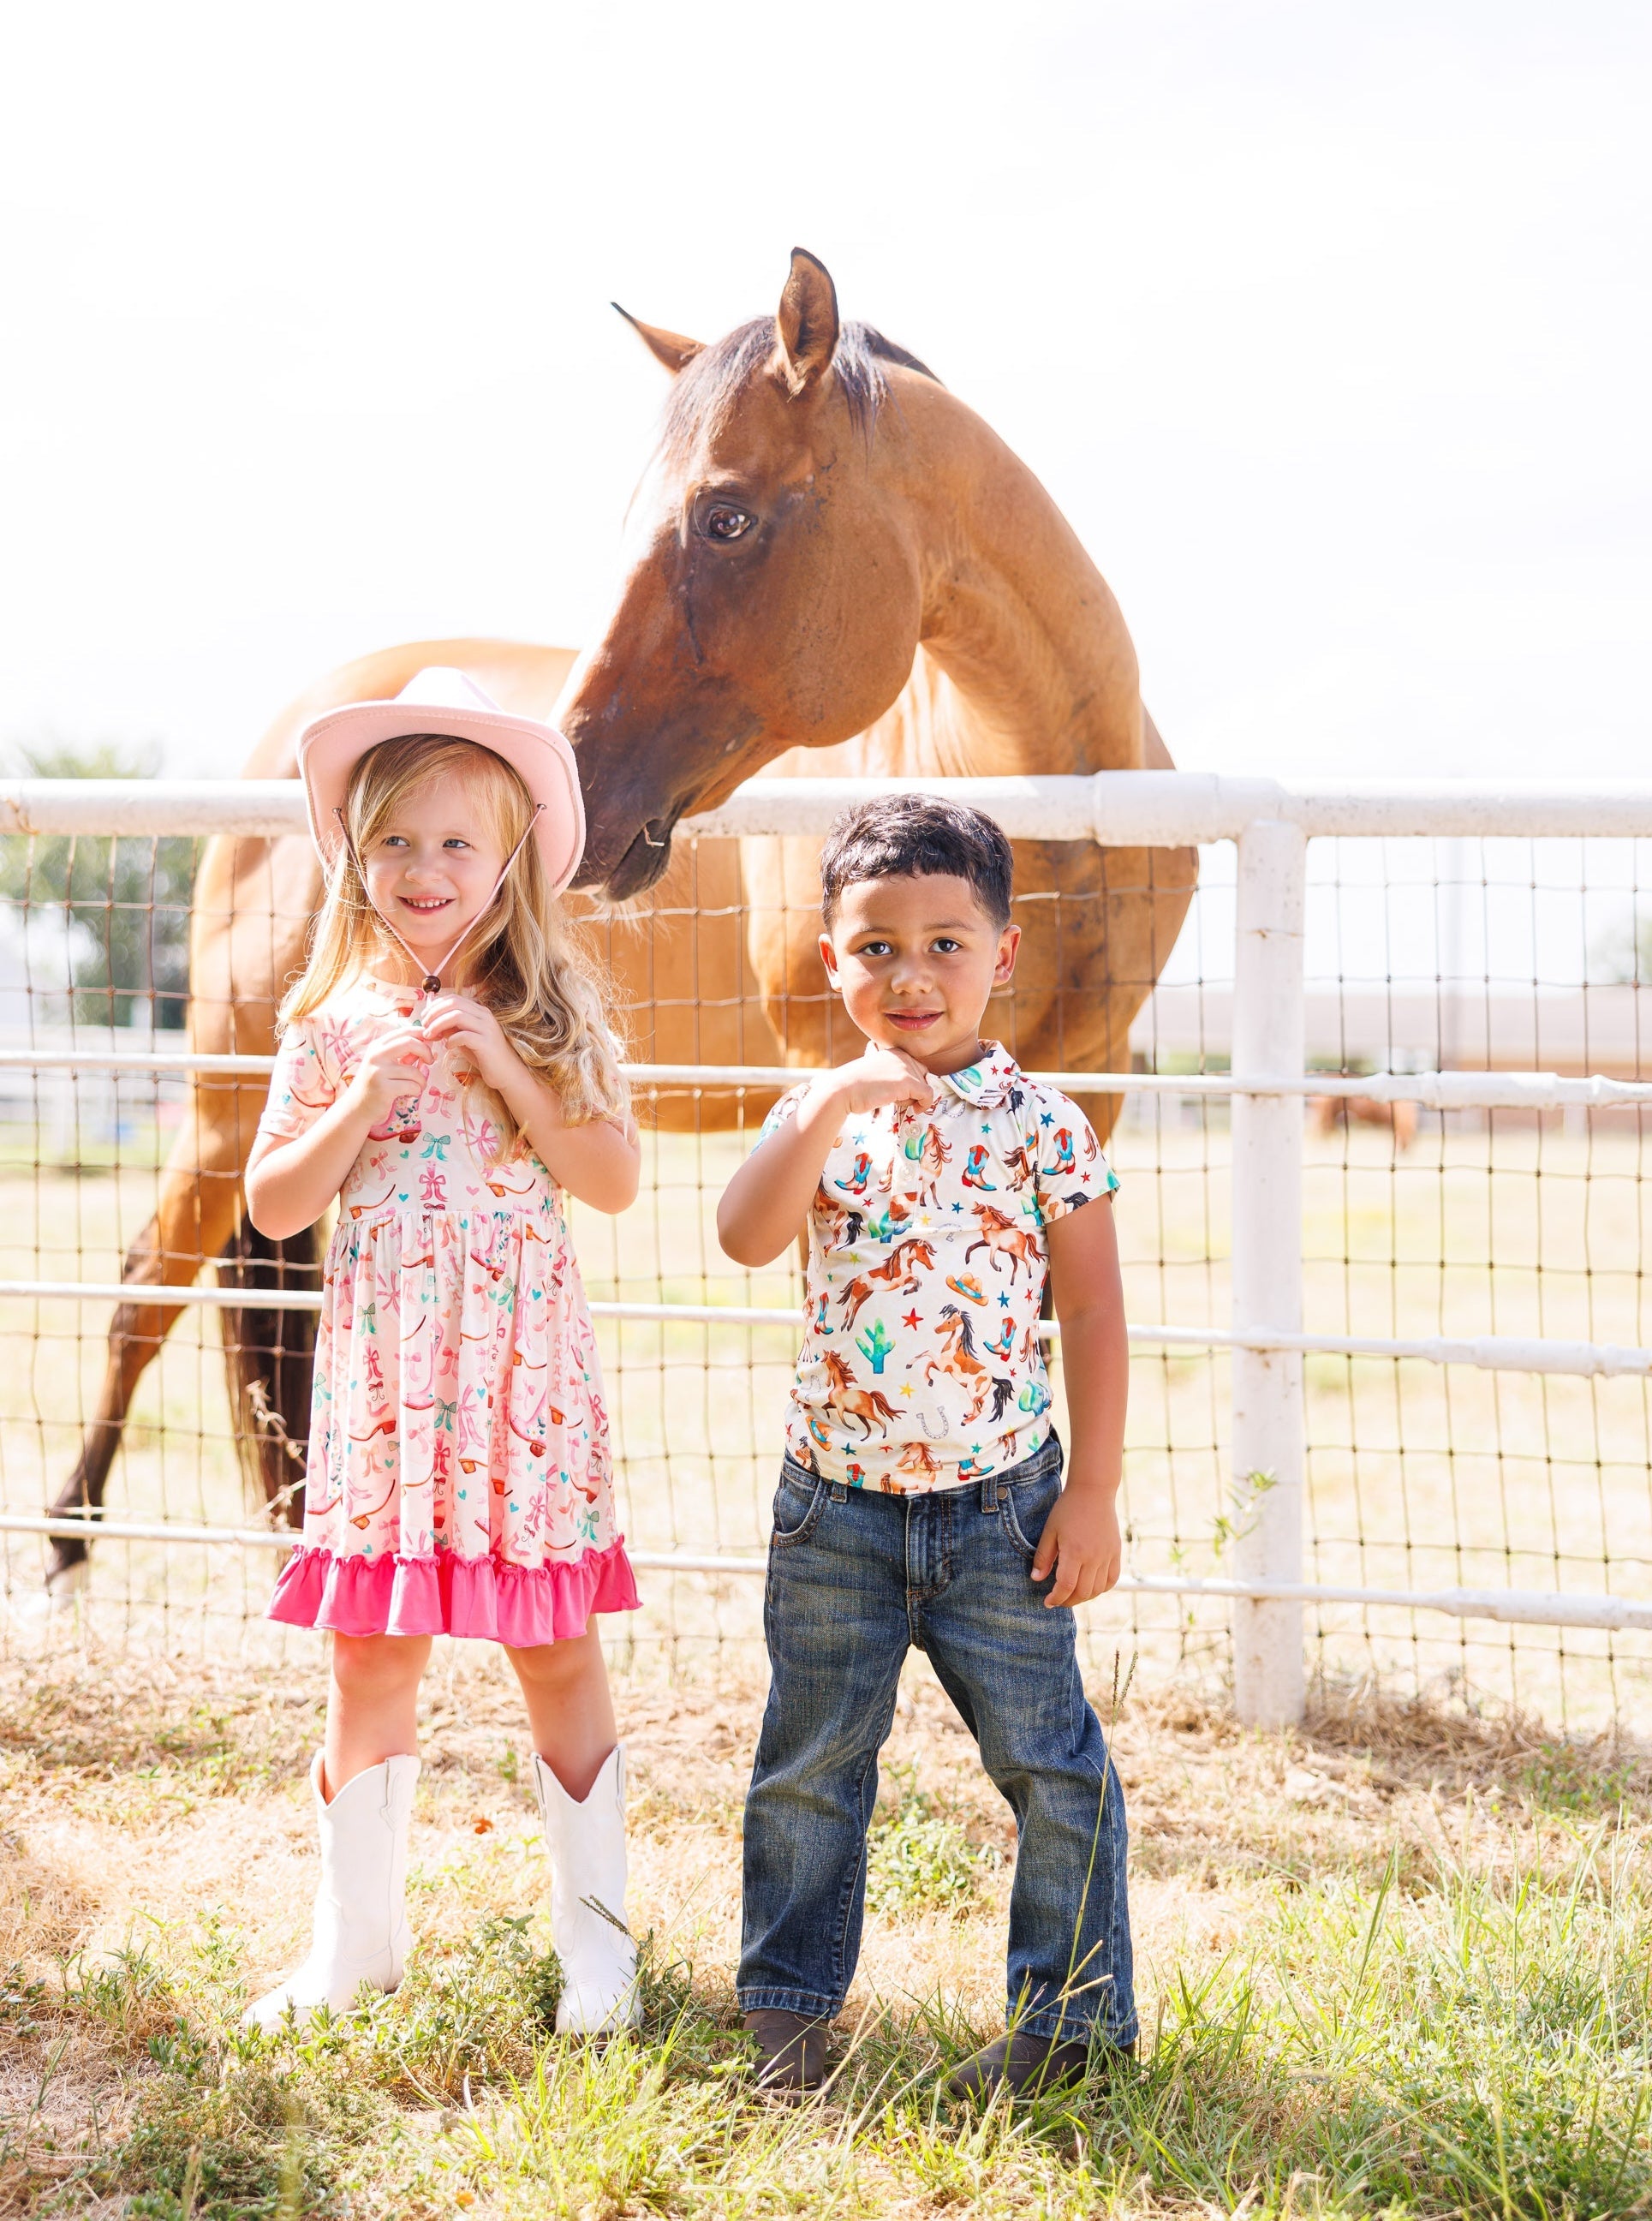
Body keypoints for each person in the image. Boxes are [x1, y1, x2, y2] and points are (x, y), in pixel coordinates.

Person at [242, 666, 642, 2036]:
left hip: (521, 1392)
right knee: (368, 1652)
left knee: (555, 1646)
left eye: (456, 841)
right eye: (397, 840)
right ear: (358, 858)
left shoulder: (551, 1014)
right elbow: (276, 1203)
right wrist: (363, 1095)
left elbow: (609, 1177)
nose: (425, 868)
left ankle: (599, 1945)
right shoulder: (327, 1028)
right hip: (385, 1393)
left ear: (510, 856)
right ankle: (354, 1944)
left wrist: (507, 1069)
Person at [717, 796, 1136, 2099]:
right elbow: (740, 1233)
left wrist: (1096, 1492)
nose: (911, 974)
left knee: (1053, 1767)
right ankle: (788, 2009)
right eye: (876, 946)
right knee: (809, 1769)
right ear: (830, 959)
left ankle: (1066, 2022)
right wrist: (828, 1100)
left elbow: (1095, 1310)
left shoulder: (1046, 1126)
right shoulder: (820, 1112)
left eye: (945, 943)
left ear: (1001, 956)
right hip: (833, 1509)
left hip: (1002, 1510)